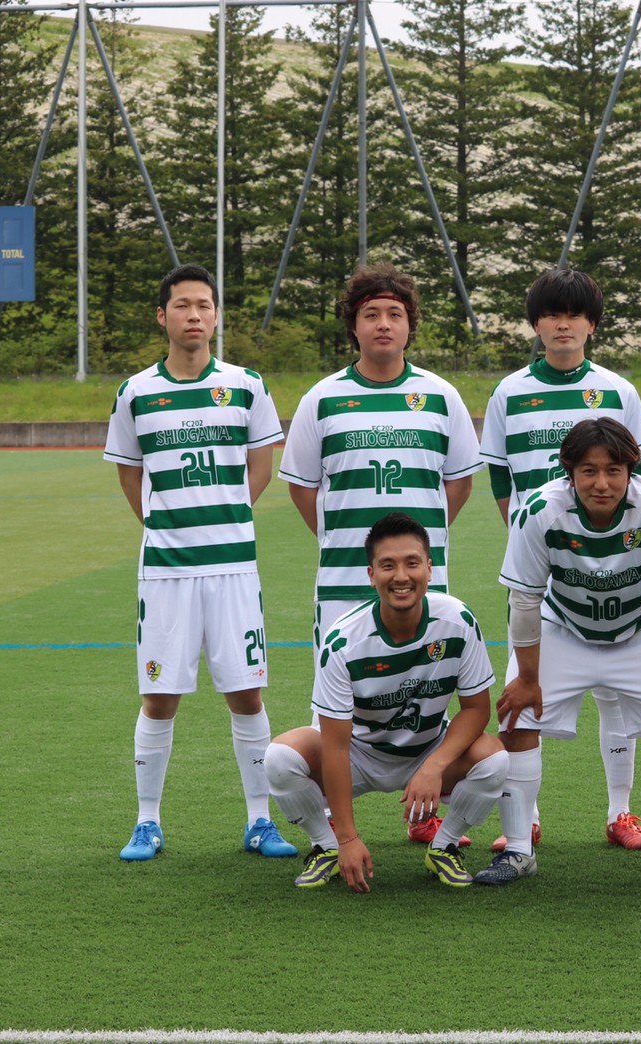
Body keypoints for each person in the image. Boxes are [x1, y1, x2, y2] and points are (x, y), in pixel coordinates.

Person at [278, 263, 483, 847]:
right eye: (371, 314)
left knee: (424, 692)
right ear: (354, 325)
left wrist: (412, 554)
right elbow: (303, 488)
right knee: (337, 707)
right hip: (343, 584)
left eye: (395, 313)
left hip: (419, 588)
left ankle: (428, 811)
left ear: (410, 325)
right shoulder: (323, 399)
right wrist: (347, 547)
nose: (384, 324)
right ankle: (333, 830)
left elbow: (459, 483)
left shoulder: (440, 396)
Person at [104, 263, 294, 862]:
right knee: (160, 698)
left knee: (247, 693)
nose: (194, 315)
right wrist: (167, 525)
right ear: (162, 316)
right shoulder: (136, 391)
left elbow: (261, 466)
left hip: (234, 568)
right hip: (166, 571)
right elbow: (129, 473)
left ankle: (260, 820)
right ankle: (147, 821)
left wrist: (225, 516)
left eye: (204, 305)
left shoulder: (246, 385)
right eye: (182, 305)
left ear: (215, 316)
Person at [479, 419, 641, 885]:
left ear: (631, 470)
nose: (601, 483)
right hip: (562, 629)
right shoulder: (539, 510)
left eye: (613, 471)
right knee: (515, 717)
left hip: (639, 630)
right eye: (588, 471)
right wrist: (527, 679)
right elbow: (524, 601)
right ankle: (519, 850)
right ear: (569, 472)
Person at [479, 268, 641, 854]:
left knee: (617, 697)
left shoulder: (617, 390)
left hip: (614, 566)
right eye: (552, 314)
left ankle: (621, 812)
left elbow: (638, 477)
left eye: (574, 314)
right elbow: (499, 476)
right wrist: (530, 538)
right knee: (523, 696)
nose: (563, 324)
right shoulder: (509, 392)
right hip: (542, 568)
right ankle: (525, 820)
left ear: (592, 325)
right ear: (536, 324)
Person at [263, 513, 508, 891]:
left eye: (412, 563)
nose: (401, 576)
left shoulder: (458, 621)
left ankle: (443, 848)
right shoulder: (343, 641)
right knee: (280, 759)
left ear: (430, 568)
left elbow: (476, 710)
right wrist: (347, 837)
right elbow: (335, 745)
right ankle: (326, 847)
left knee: (495, 759)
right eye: (388, 566)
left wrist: (435, 766)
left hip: (428, 748)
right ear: (371, 574)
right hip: (359, 753)